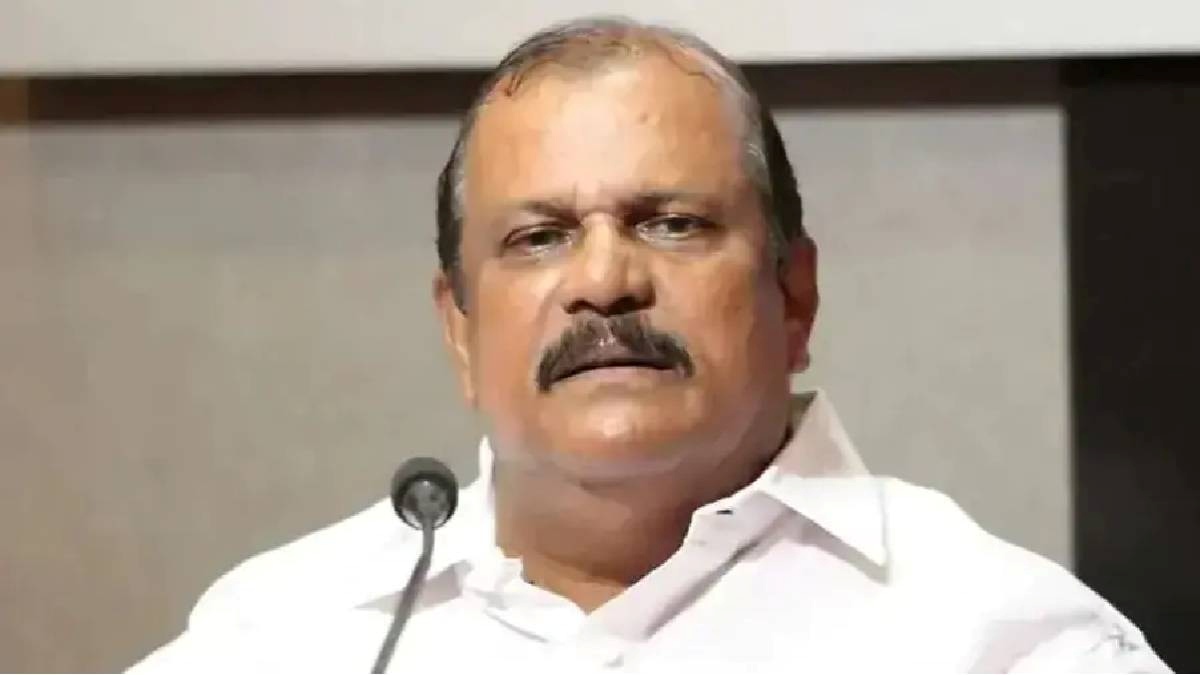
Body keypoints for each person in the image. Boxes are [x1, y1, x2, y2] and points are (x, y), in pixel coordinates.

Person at [130, 17, 1169, 673]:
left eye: (672, 222)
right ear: (460, 329)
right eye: (539, 238)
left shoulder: (1008, 643)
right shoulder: (281, 636)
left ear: (794, 296)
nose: (604, 281)